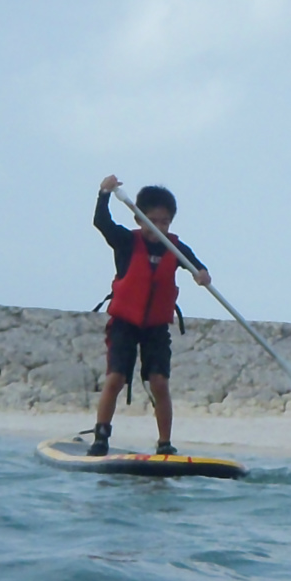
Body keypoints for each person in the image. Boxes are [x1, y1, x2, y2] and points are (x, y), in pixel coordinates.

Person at [87, 174, 211, 457]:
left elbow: (197, 267)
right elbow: (101, 223)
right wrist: (104, 194)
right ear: (139, 219)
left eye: (165, 222)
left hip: (155, 327)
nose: (159, 227)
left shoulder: (175, 247)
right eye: (152, 220)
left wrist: (202, 274)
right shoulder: (125, 242)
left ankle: (164, 443)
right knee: (116, 378)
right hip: (124, 324)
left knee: (160, 383)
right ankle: (101, 436)